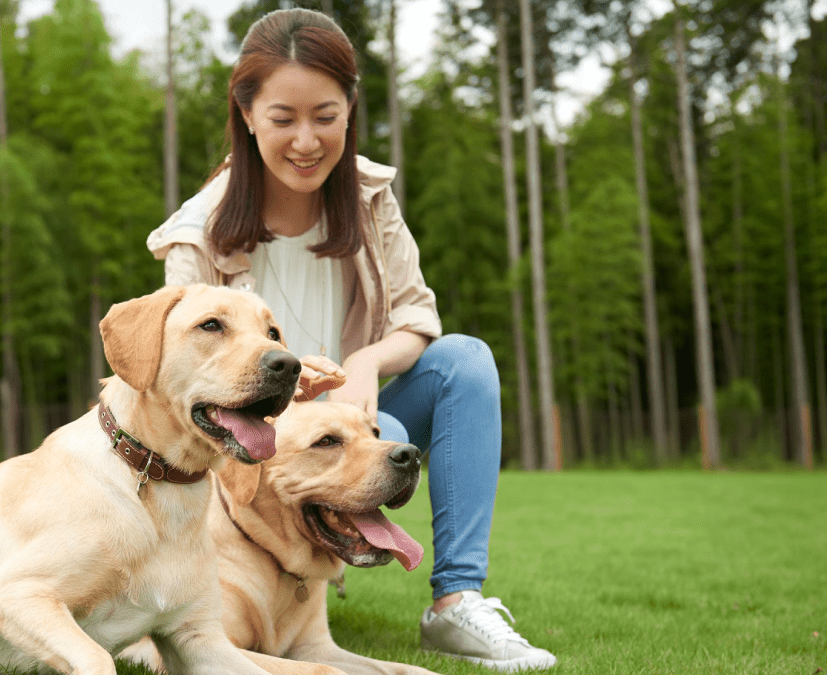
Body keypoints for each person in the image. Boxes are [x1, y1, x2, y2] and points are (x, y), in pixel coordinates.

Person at [145, 8, 557, 673]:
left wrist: (364, 363)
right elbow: (179, 381)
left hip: (363, 421)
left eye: (325, 116)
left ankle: (456, 602)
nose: (306, 140)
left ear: (350, 108)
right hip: (255, 455)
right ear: (246, 115)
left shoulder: (369, 198)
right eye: (283, 119)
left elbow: (419, 318)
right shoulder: (199, 232)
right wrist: (267, 388)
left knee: (465, 361)